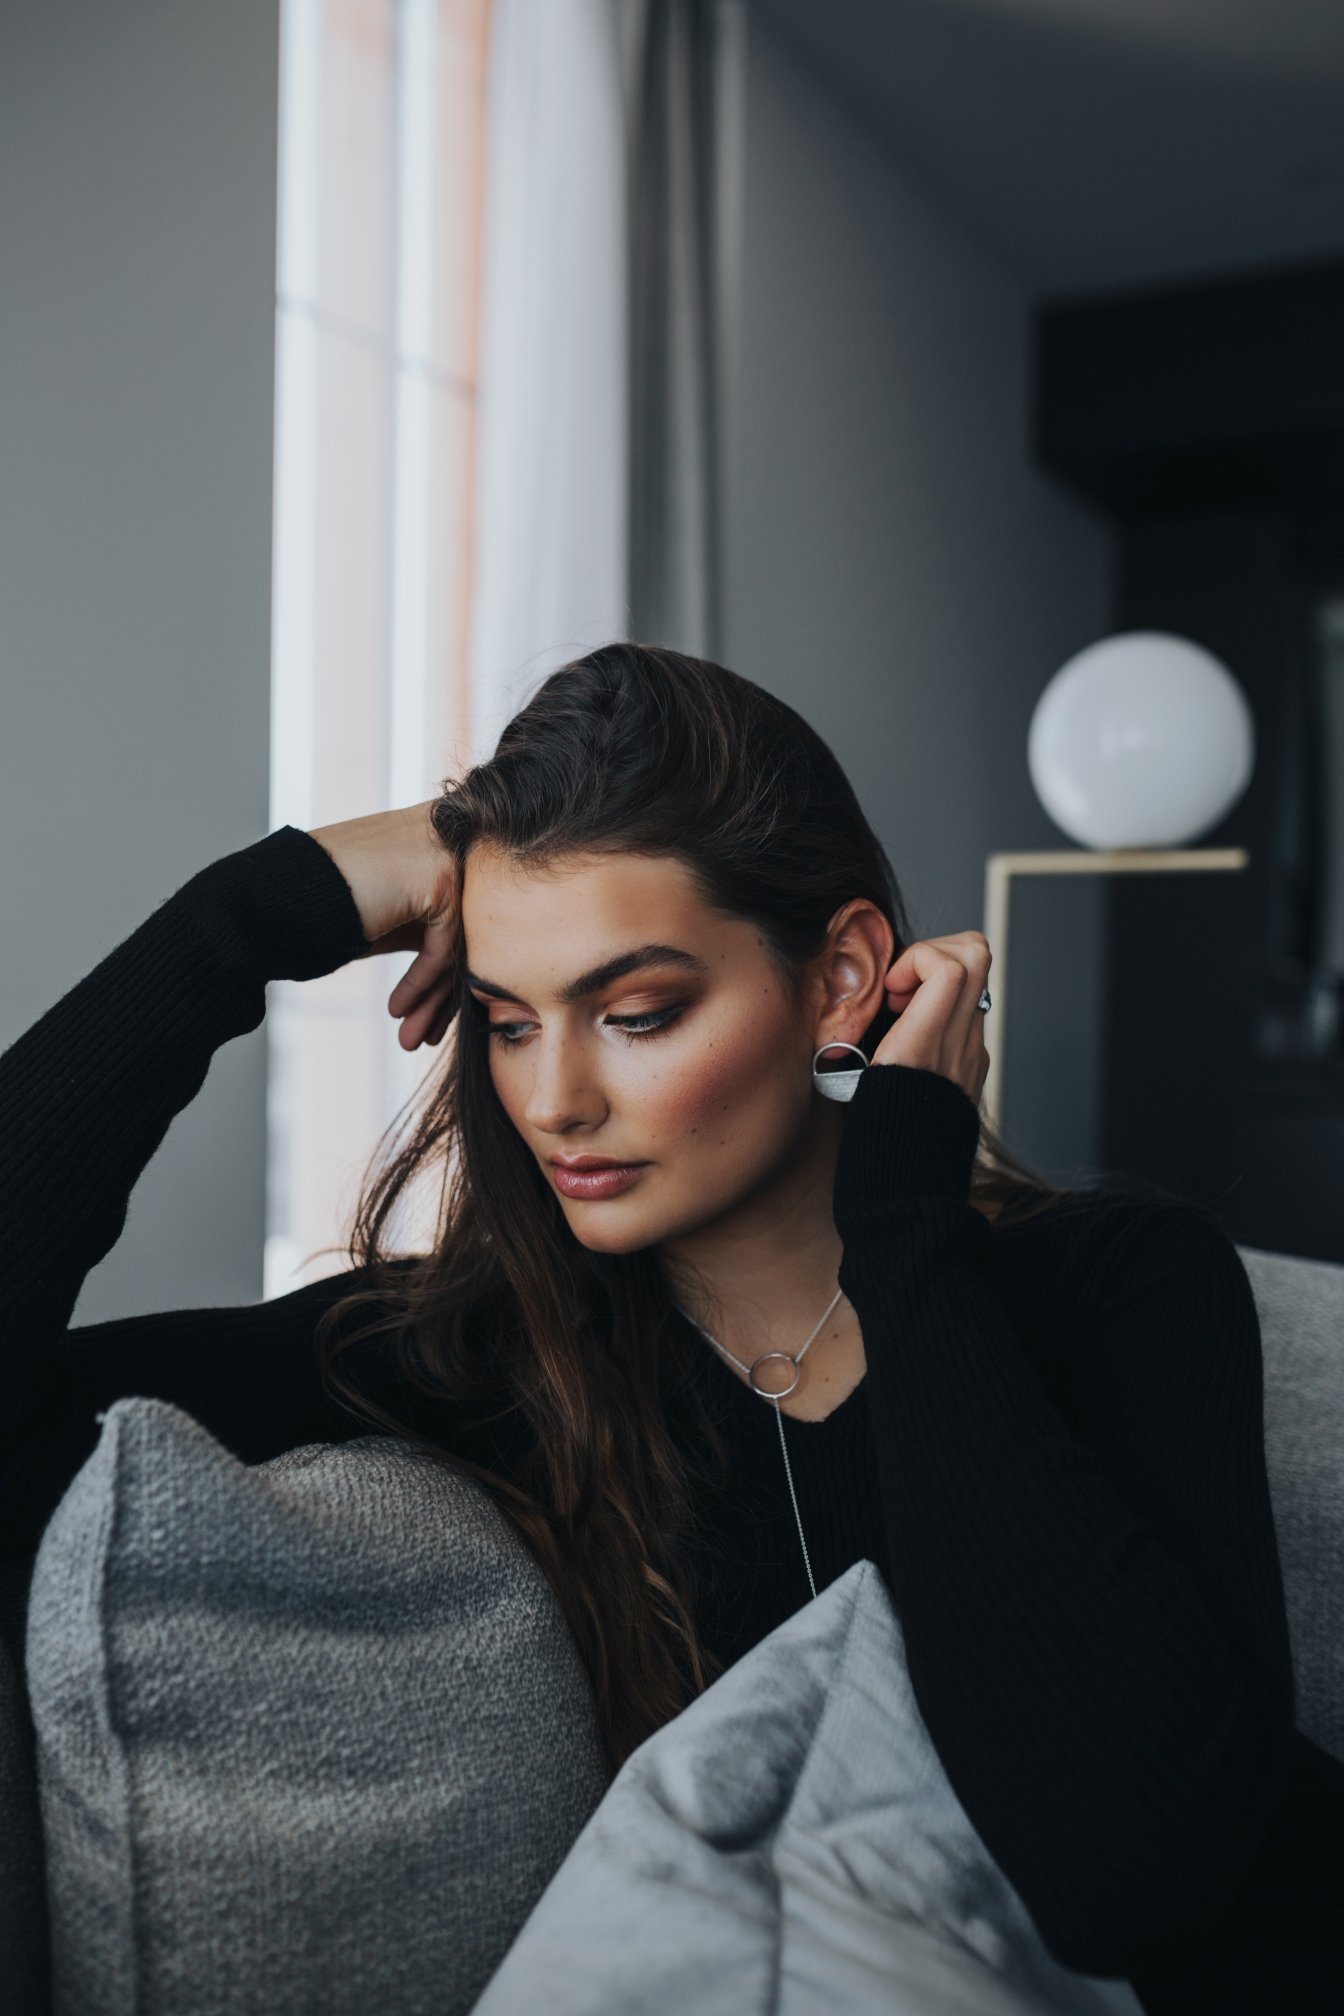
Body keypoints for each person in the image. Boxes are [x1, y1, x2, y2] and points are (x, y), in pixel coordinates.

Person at [2, 642, 1339, 2009]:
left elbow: (1132, 1879)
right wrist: (251, 914)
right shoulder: (488, 1347)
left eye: (637, 1013)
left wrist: (908, 1225)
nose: (555, 1101)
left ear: (842, 979)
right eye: (508, 1021)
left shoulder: (1122, 1283)